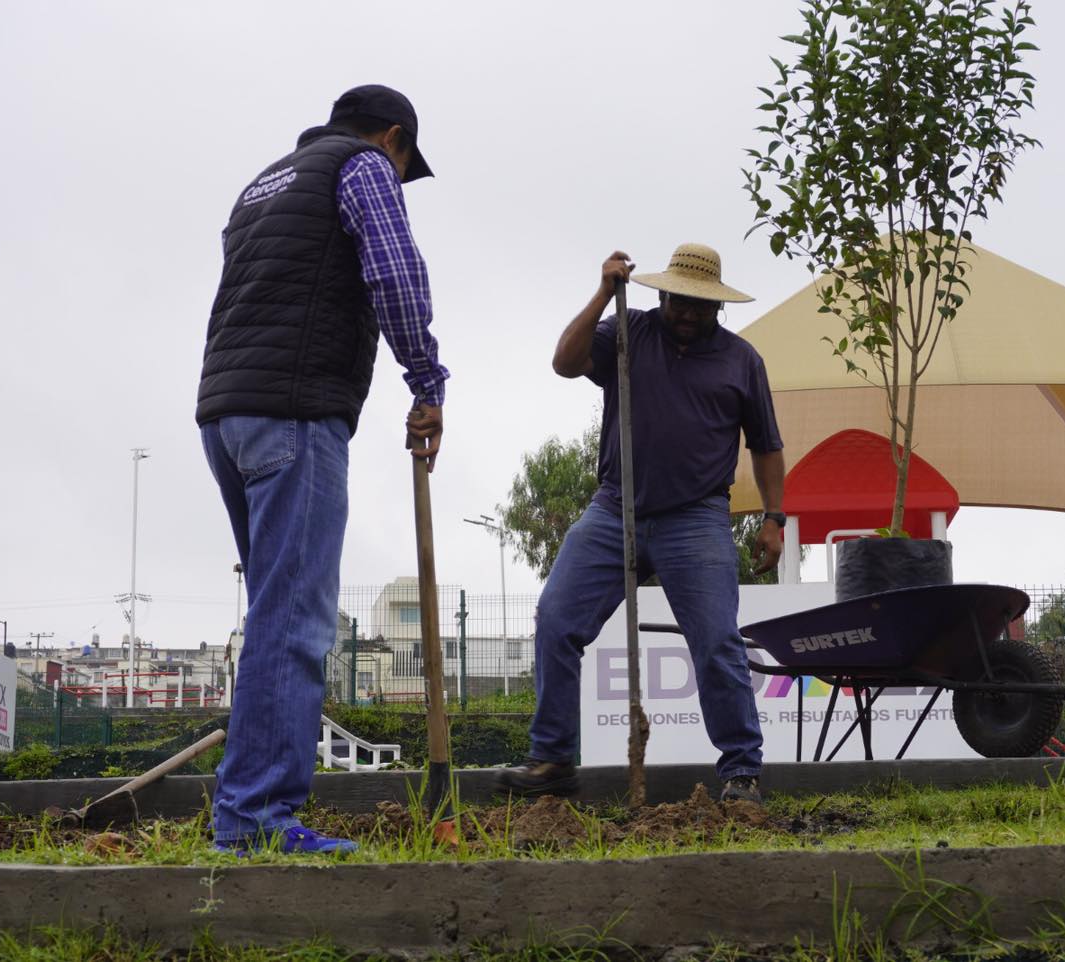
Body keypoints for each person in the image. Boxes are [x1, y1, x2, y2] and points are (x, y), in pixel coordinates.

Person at [196, 84, 448, 853]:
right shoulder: (366, 167)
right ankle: (256, 823)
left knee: (272, 612)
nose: (402, 181)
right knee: (296, 621)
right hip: (295, 416)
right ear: (394, 138)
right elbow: (395, 274)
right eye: (407, 166)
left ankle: (244, 809)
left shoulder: (263, 183)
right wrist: (427, 380)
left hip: (226, 415)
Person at [496, 244, 787, 803]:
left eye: (700, 306)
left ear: (717, 307)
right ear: (662, 293)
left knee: (717, 643)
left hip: (697, 517)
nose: (687, 313)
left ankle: (742, 771)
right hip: (614, 508)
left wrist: (774, 518)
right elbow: (564, 362)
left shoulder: (741, 360)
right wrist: (604, 291)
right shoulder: (628, 330)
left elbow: (767, 448)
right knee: (557, 620)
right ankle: (552, 759)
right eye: (679, 301)